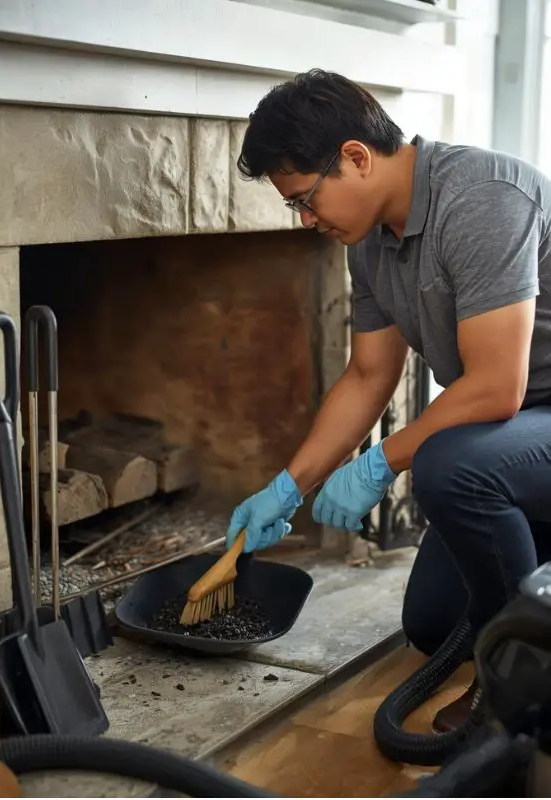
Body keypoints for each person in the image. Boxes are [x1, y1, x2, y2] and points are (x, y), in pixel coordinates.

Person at [224, 68, 551, 733]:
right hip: (521, 434)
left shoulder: (482, 198)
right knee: (432, 624)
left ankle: (518, 691)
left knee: (448, 465)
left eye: (306, 199)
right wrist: (288, 486)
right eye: (295, 207)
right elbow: (369, 375)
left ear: (356, 157)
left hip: (523, 418)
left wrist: (380, 464)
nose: (307, 219)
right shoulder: (369, 241)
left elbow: (496, 386)